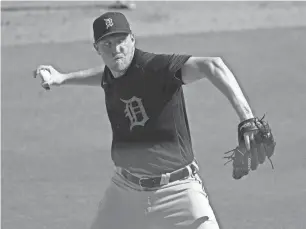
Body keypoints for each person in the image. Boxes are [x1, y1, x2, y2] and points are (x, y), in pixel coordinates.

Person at [34, 12, 257, 229]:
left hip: (178, 191)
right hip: (124, 191)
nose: (116, 50)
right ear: (97, 49)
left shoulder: (156, 69)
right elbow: (106, 75)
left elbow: (213, 65)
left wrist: (247, 119)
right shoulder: (113, 74)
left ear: (132, 39)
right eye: (107, 44)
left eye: (121, 41)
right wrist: (62, 78)